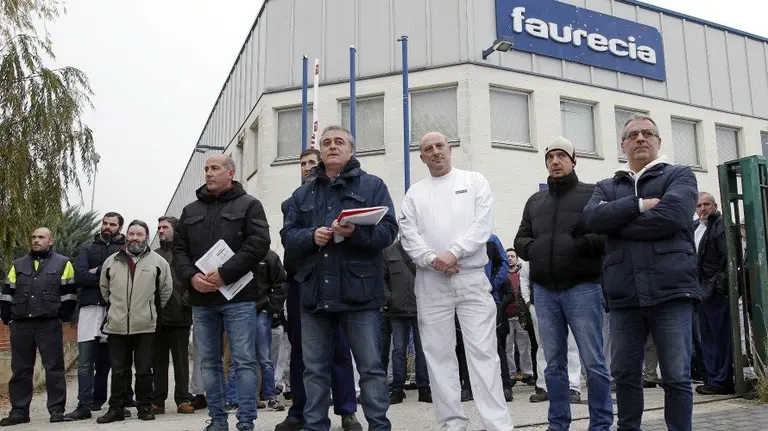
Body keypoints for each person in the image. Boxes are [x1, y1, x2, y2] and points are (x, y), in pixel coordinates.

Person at [584, 113, 699, 431]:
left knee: (676, 376)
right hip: (624, 297)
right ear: (623, 145)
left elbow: (674, 215)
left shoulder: (680, 176)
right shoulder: (607, 185)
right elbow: (592, 219)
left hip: (671, 292)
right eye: (632, 134)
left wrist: (618, 225)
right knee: (624, 376)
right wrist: (640, 206)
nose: (640, 138)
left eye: (647, 133)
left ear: (658, 141)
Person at [280, 125, 397, 431]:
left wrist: (355, 232)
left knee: (371, 367)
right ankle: (314, 426)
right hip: (315, 292)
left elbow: (388, 232)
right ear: (321, 150)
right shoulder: (302, 192)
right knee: (314, 368)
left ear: (351, 150)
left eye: (339, 142)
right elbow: (287, 236)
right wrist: (311, 235)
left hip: (359, 292)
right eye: (327, 142)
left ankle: (379, 427)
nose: (332, 146)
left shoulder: (373, 186)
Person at [400, 131, 514, 431]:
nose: (435, 152)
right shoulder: (414, 194)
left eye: (440, 146)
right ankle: (452, 423)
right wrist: (432, 259)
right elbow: (408, 236)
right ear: (422, 156)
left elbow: (482, 225)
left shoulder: (475, 181)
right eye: (428, 148)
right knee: (438, 356)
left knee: (483, 352)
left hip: (471, 277)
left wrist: (454, 252)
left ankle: (497, 424)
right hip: (431, 281)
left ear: (449, 150)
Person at [514, 136, 612, 431]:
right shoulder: (535, 201)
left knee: (593, 362)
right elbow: (521, 239)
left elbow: (605, 235)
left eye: (561, 156)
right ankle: (558, 424)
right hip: (545, 292)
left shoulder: (593, 194)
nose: (554, 161)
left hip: (583, 288)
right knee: (553, 364)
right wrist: (536, 249)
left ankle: (601, 425)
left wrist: (578, 244)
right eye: (549, 157)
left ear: (573, 160)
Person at [174, 154, 271, 431]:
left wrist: (225, 273)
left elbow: (259, 243)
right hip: (202, 300)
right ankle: (217, 420)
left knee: (243, 360)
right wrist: (191, 277)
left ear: (230, 172)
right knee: (208, 363)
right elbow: (179, 252)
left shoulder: (250, 205)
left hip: (238, 298)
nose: (209, 173)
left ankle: (246, 422)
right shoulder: (190, 211)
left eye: (215, 168)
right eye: (206, 169)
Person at [274, 147, 361, 431]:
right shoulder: (292, 203)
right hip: (302, 281)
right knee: (301, 351)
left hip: (335, 281)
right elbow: (288, 240)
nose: (308, 167)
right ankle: (300, 410)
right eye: (303, 163)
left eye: (313, 162)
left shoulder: (340, 197)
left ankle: (347, 410)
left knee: (339, 348)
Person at [96, 220, 173, 423]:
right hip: (117, 326)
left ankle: (144, 407)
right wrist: (116, 310)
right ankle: (116, 409)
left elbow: (165, 291)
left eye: (139, 234)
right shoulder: (112, 261)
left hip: (145, 326)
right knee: (119, 370)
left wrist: (148, 312)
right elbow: (105, 290)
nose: (135, 238)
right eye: (131, 234)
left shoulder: (158, 262)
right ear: (126, 235)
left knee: (144, 371)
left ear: (146, 237)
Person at [0, 228, 77, 426]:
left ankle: (56, 410)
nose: (36, 240)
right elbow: (8, 291)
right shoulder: (18, 264)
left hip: (48, 322)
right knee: (21, 369)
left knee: (54, 368)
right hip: (21, 323)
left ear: (51, 241)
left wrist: (63, 315)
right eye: (33, 237)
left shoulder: (63, 263)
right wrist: (6, 315)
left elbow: (69, 293)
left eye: (41, 237)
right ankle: (19, 412)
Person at [65, 212, 130, 421]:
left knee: (115, 361)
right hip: (89, 308)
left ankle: (117, 404)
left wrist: (97, 271)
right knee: (85, 361)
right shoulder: (87, 248)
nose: (107, 227)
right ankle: (83, 405)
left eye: (113, 224)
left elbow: (125, 278)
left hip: (115, 309)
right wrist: (105, 273)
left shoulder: (125, 250)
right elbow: (79, 276)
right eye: (105, 223)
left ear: (120, 228)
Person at [223, 249, 288, 411]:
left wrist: (270, 308)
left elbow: (281, 284)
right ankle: (232, 398)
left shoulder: (270, 256)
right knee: (237, 357)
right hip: (238, 312)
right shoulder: (235, 253)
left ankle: (271, 397)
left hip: (260, 311)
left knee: (265, 358)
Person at [151, 216, 196, 415]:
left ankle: (183, 399)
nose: (161, 230)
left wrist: (186, 302)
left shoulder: (185, 254)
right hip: (157, 317)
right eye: (159, 227)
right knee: (158, 360)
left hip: (180, 315)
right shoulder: (153, 256)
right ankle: (158, 400)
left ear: (175, 230)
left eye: (165, 227)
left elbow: (192, 279)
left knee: (181, 361)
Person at [693, 192, 734, 395]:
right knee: (707, 337)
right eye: (699, 205)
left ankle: (722, 380)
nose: (703, 208)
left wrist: (718, 286)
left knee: (720, 338)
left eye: (707, 204)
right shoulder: (695, 228)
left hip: (715, 292)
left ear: (715, 206)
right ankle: (713, 377)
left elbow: (726, 259)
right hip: (700, 292)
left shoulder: (720, 227)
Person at [382, 239, 431, 404]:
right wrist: (390, 299)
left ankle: (424, 388)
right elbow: (382, 278)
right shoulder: (388, 251)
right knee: (398, 351)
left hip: (421, 308)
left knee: (422, 350)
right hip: (397, 310)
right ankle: (397, 389)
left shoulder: (423, 249)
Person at [503, 248, 534, 386]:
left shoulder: (523, 274)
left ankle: (528, 373)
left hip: (521, 316)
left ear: (517, 258)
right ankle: (511, 373)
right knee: (508, 348)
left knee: (524, 347)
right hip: (507, 316)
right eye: (507, 256)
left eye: (512, 256)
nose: (510, 258)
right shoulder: (502, 275)